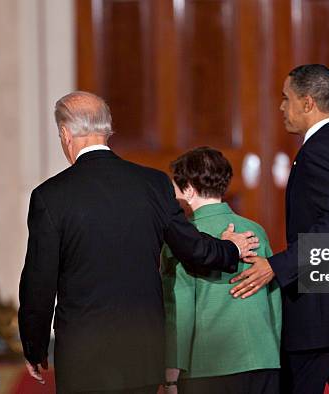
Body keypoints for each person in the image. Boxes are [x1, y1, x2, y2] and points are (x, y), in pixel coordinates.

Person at [18, 91, 259, 393]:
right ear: (108, 131)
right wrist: (231, 248)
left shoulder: (50, 196)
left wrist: (34, 346)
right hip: (142, 352)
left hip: (83, 356)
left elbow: (39, 283)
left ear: (65, 134)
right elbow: (192, 248)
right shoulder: (153, 184)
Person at [230, 65, 329, 393]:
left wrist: (274, 267)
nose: (281, 107)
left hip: (324, 317)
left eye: (285, 98)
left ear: (307, 103)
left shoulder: (319, 152)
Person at [161, 147, 281, 394]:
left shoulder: (183, 239)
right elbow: (274, 301)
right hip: (263, 359)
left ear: (189, 189)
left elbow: (179, 308)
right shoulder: (256, 231)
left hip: (207, 365)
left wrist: (171, 375)